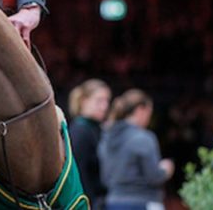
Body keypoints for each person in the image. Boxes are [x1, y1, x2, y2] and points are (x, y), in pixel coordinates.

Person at [97, 89, 174, 210]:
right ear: (140, 110)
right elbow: (154, 177)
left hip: (113, 202)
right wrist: (166, 169)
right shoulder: (144, 137)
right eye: (150, 112)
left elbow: (104, 177)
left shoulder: (106, 137)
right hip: (143, 201)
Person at [68, 79, 111, 209]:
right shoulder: (80, 130)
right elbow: (79, 173)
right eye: (99, 101)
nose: (105, 106)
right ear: (84, 101)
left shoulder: (96, 128)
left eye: (107, 101)